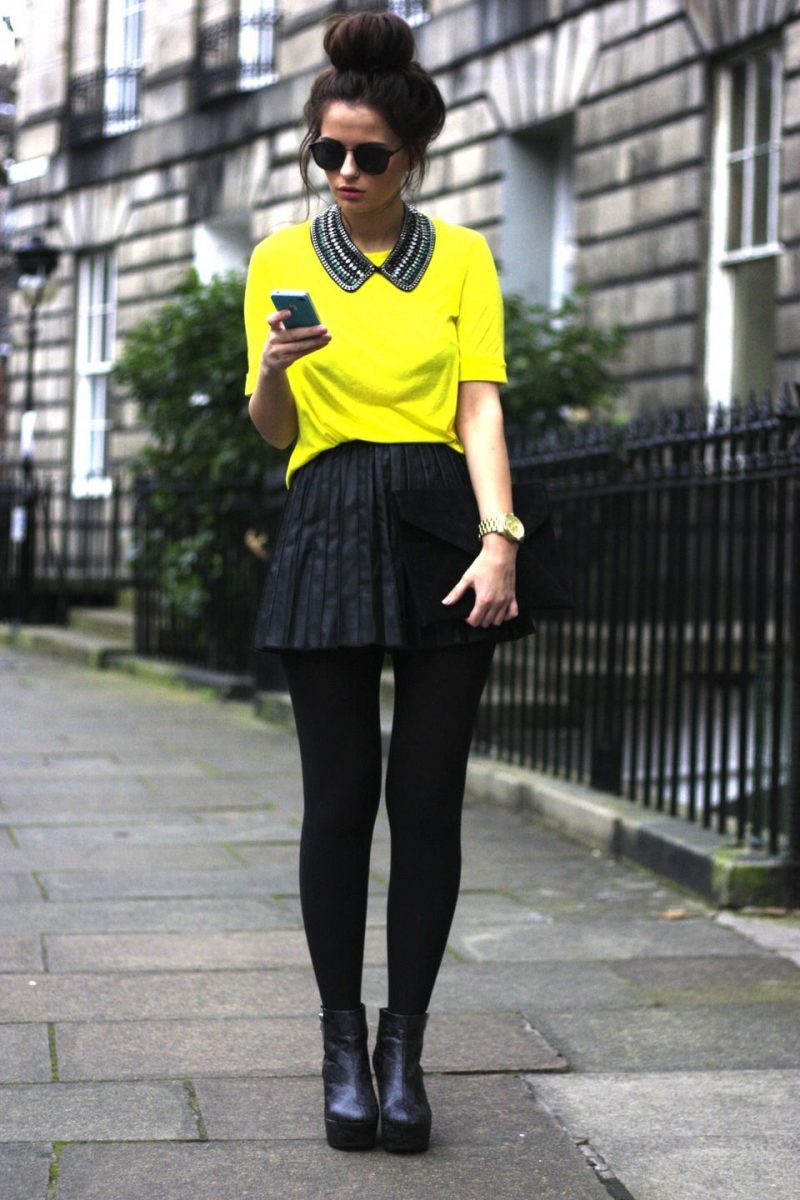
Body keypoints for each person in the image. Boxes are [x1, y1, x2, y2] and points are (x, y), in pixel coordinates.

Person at [244, 9, 532, 1155]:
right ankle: (339, 1049)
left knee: (425, 806)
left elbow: (479, 405)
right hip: (323, 518)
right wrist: (271, 369)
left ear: (412, 159)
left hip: (437, 525)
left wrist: (499, 536)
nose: (348, 172)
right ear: (313, 148)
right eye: (330, 152)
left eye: (370, 155)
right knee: (335, 803)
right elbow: (272, 431)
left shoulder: (458, 256)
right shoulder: (276, 260)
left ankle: (405, 1049)